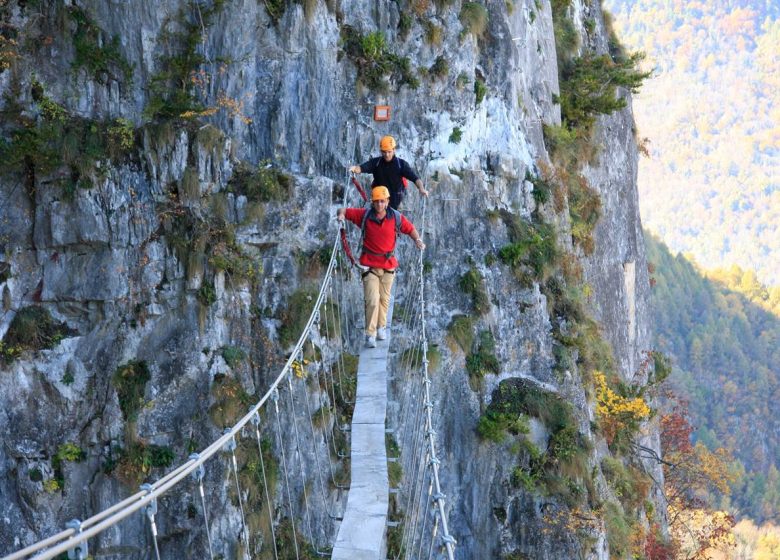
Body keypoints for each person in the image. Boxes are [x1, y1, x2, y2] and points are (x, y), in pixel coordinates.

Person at [337, 186, 425, 348]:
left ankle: (381, 327)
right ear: (372, 202)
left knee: (384, 299)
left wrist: (418, 240)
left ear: (387, 202)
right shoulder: (364, 215)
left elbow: (410, 229)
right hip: (369, 265)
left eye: (382, 201)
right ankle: (370, 334)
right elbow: (343, 210)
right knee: (372, 300)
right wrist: (341, 216)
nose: (379, 204)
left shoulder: (396, 218)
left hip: (388, 266)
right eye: (376, 201)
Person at [349, 135, 429, 210]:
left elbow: (415, 178)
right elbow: (362, 168)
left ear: (394, 150)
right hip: (379, 198)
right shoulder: (376, 163)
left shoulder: (401, 165)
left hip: (394, 198)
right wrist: (355, 168)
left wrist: (421, 188)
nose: (387, 155)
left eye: (389, 151)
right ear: (381, 151)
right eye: (384, 152)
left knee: (391, 218)